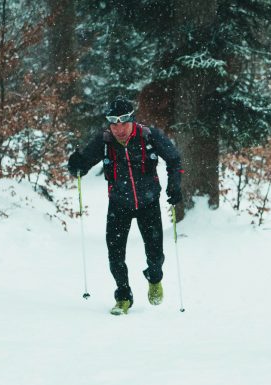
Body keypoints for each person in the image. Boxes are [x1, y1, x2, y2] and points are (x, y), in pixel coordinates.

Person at [67, 97, 183, 315]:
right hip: (119, 203)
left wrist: (175, 185)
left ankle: (155, 277)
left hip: (148, 202)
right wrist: (75, 164)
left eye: (123, 123)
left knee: (156, 254)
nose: (119, 129)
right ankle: (123, 296)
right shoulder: (104, 140)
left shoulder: (150, 135)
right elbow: (83, 165)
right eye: (114, 124)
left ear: (132, 120)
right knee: (115, 254)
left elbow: (174, 160)